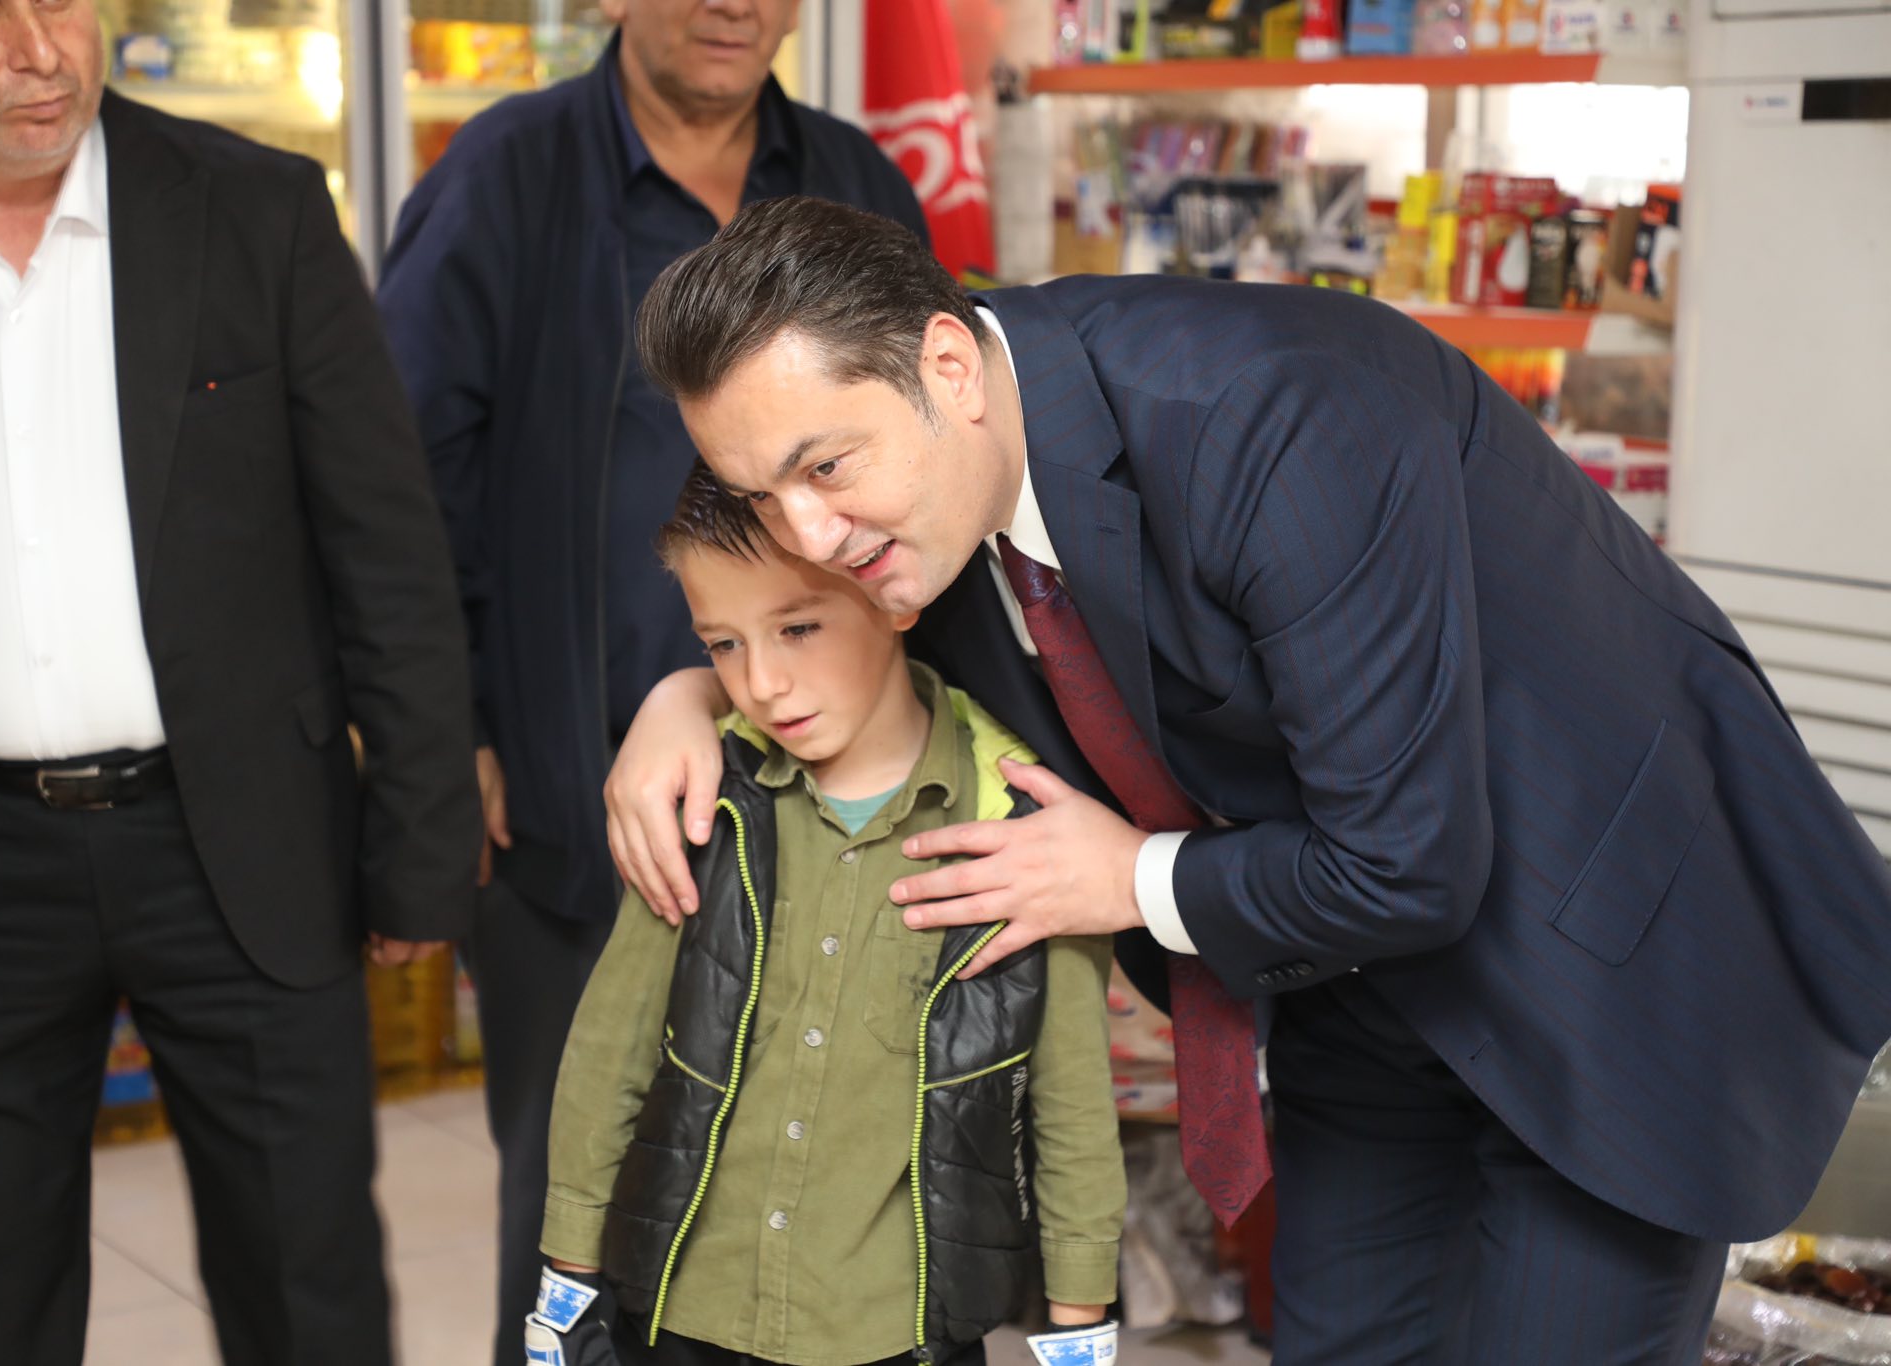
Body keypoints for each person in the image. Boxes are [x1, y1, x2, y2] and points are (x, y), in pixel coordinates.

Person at [603, 196, 1891, 1366]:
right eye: (760, 493)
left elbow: (1405, 858)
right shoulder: (909, 494)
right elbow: (779, 617)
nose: (807, 537)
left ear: (948, 365)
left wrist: (1129, 878)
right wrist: (686, 696)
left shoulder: (1274, 415)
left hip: (1599, 944)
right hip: (1345, 966)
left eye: (825, 469)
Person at [0, 1, 480, 1361]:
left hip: (242, 839)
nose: (40, 46)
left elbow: (386, 550)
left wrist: (420, 848)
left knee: (308, 1295)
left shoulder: (254, 208)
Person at [374, 5, 925, 1358]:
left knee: (815, 1203)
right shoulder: (504, 174)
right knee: (581, 1212)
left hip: (830, 814)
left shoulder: (855, 177)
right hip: (574, 812)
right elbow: (397, 479)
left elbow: (933, 464)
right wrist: (455, 733)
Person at [523, 466, 1124, 1366]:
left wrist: (1080, 1329)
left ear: (892, 593)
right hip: (687, 1313)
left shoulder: (1026, 830)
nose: (762, 683)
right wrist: (566, 1288)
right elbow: (612, 1047)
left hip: (902, 1330)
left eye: (799, 628)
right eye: (723, 645)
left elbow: (1070, 1102)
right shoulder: (704, 799)